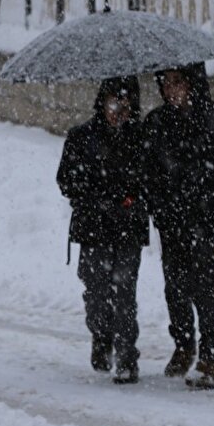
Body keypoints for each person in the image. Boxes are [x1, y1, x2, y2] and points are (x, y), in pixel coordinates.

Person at [143, 63, 214, 390]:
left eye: (178, 82)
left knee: (203, 286)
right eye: (166, 84)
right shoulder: (157, 123)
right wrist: (158, 206)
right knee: (174, 287)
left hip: (207, 219)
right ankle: (183, 344)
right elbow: (148, 173)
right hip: (172, 221)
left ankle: (213, 357)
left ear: (193, 83)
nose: (171, 90)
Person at [57, 76, 149, 385]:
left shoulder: (140, 138)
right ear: (102, 102)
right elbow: (66, 180)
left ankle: (126, 356)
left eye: (125, 105)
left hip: (127, 228)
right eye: (113, 103)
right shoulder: (81, 137)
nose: (118, 111)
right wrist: (94, 195)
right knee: (96, 292)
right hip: (93, 228)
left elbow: (148, 181)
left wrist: (130, 197)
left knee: (124, 294)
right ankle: (101, 335)